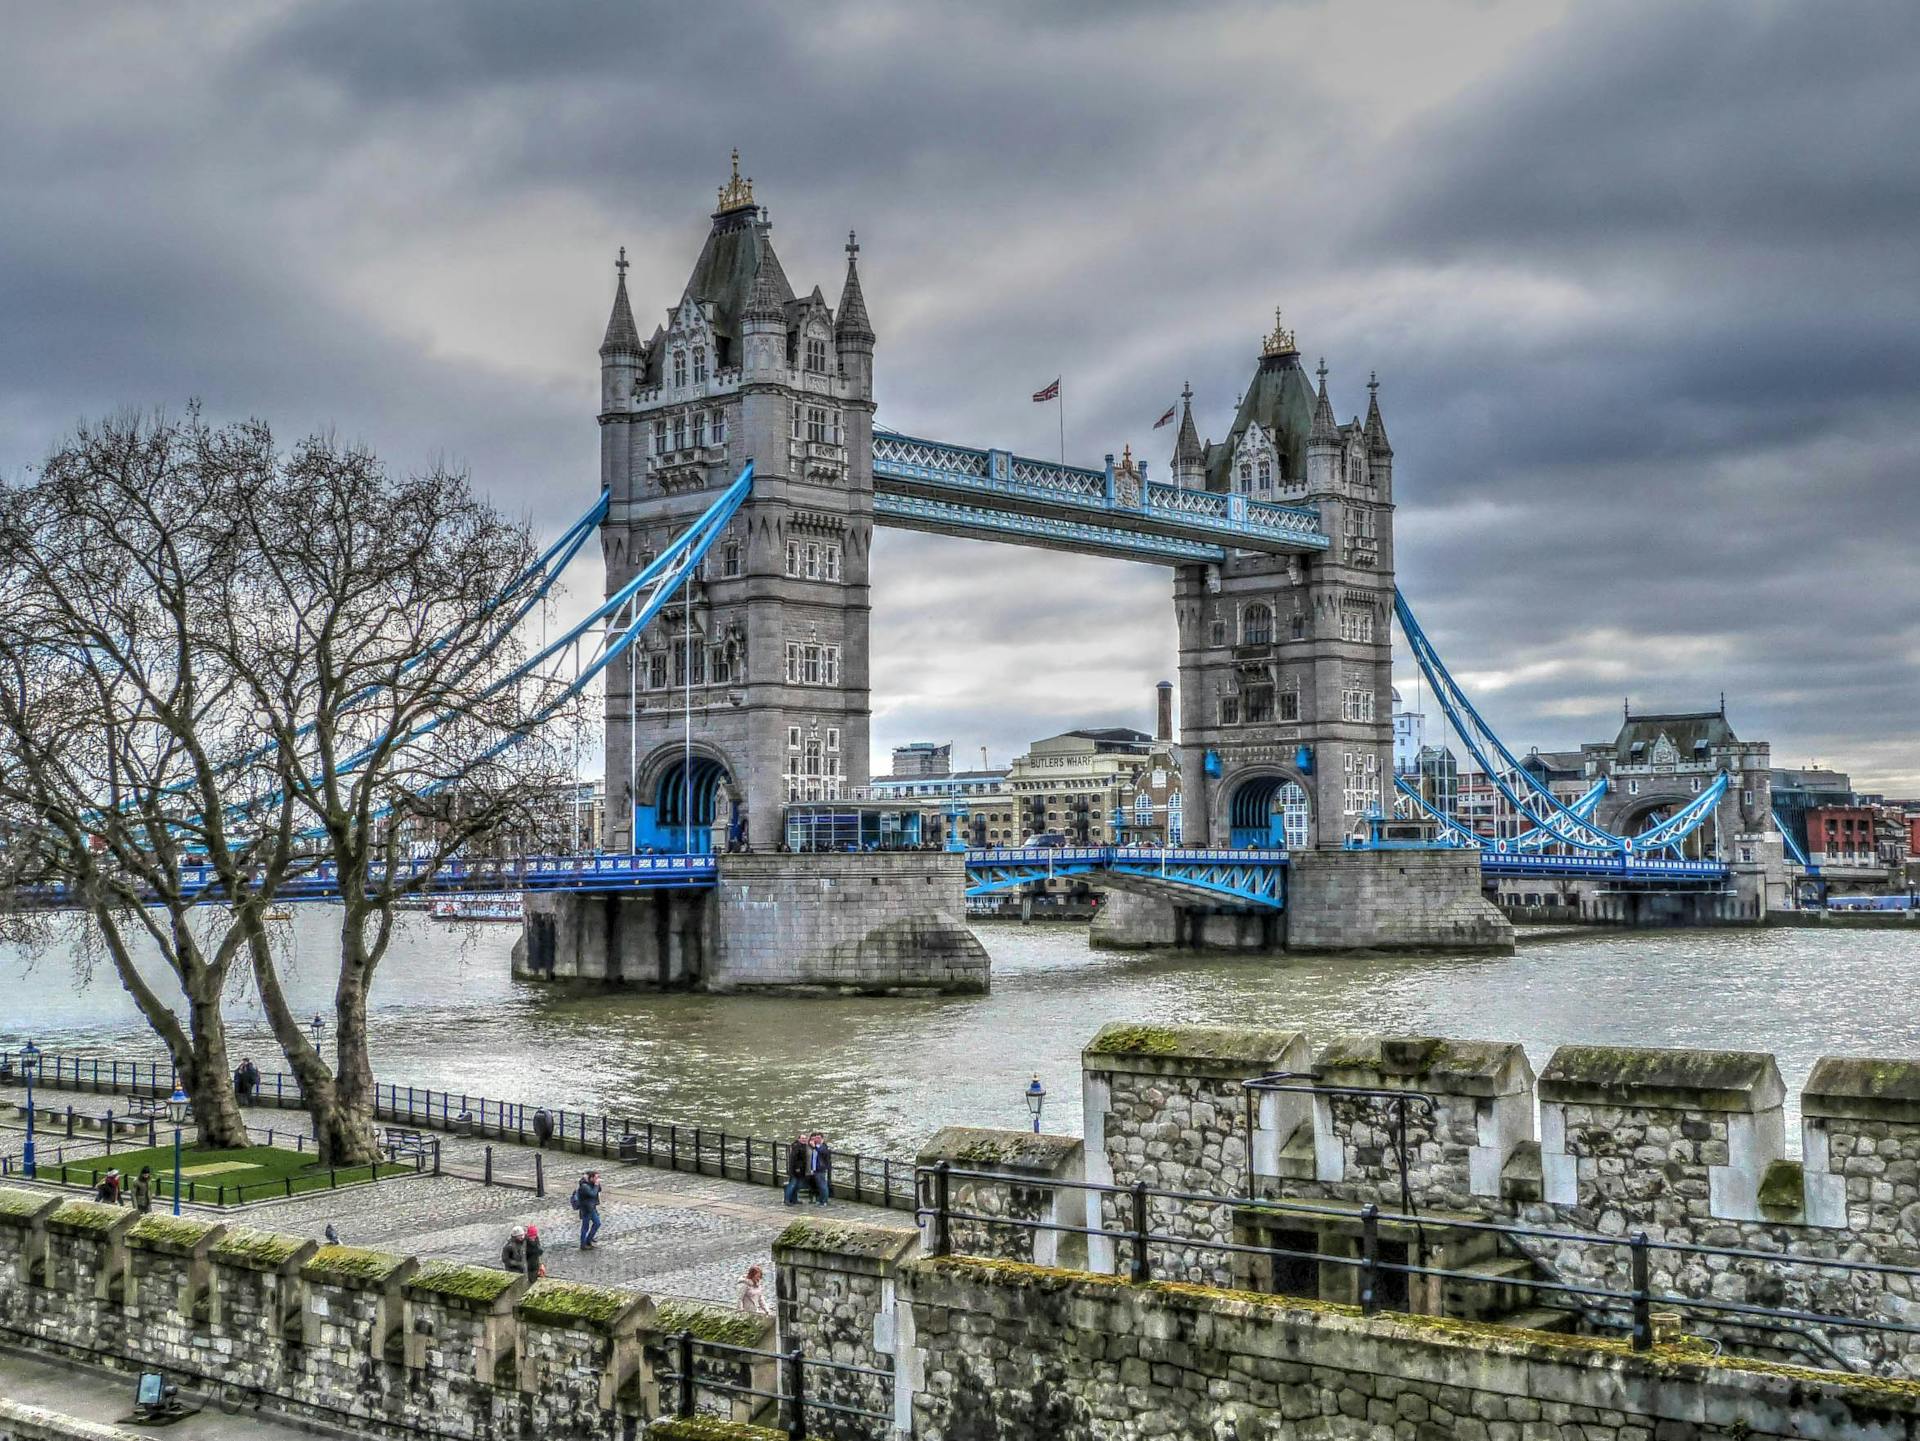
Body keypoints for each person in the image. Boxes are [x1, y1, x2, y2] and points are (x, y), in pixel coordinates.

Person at [572, 1171, 602, 1249]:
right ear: (591, 1178)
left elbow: (599, 1190)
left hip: (592, 1207)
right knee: (585, 1226)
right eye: (596, 1178)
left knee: (597, 1223)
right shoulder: (584, 1186)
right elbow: (592, 1194)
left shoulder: (591, 1183)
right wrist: (596, 1185)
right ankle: (583, 1244)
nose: (597, 1179)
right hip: (586, 1209)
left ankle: (588, 1240)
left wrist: (597, 1184)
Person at [783, 1132, 812, 1207]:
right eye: (802, 1138)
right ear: (799, 1139)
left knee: (797, 1185)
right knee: (792, 1184)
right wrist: (797, 1168)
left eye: (805, 1138)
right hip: (796, 1170)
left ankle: (794, 1199)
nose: (804, 1140)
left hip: (800, 1170)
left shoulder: (802, 1146)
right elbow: (794, 1159)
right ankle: (787, 1200)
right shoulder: (797, 1146)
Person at [810, 1133, 832, 1205]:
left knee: (823, 1185)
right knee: (819, 1185)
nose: (817, 1139)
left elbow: (822, 1152)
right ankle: (820, 1200)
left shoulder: (823, 1146)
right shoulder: (816, 1146)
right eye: (816, 1138)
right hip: (815, 1168)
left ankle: (824, 1201)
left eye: (818, 1138)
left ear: (822, 1139)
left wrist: (815, 1147)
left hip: (820, 1168)